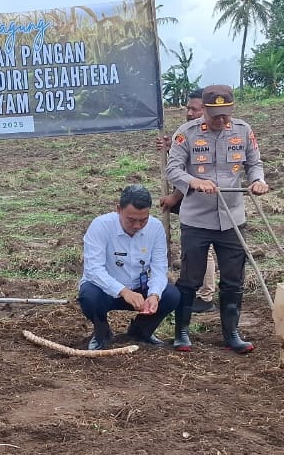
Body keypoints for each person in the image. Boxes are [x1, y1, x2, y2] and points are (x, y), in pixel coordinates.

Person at [166, 84, 269, 354]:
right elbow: (173, 170)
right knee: (191, 278)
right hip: (196, 219)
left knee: (233, 278)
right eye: (215, 116)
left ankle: (232, 333)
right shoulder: (186, 134)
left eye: (226, 115)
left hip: (232, 218)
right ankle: (182, 332)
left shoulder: (243, 130)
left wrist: (257, 181)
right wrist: (194, 181)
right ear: (205, 111)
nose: (221, 120)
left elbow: (254, 163)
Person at [78, 185, 181, 350]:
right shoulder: (101, 226)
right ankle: (102, 333)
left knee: (171, 295)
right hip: (106, 290)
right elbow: (94, 270)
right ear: (119, 210)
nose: (137, 226)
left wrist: (154, 295)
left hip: (140, 289)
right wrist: (124, 292)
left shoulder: (155, 228)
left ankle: (140, 332)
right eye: (131, 220)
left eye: (143, 220)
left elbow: (159, 268)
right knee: (88, 295)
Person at [155, 89, 216, 313]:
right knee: (195, 248)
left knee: (203, 249)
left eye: (194, 109)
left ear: (206, 110)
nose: (189, 113)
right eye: (188, 108)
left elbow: (195, 174)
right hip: (193, 203)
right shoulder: (189, 132)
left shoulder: (209, 136)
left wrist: (174, 197)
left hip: (203, 203)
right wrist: (171, 149)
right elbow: (181, 167)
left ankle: (205, 295)